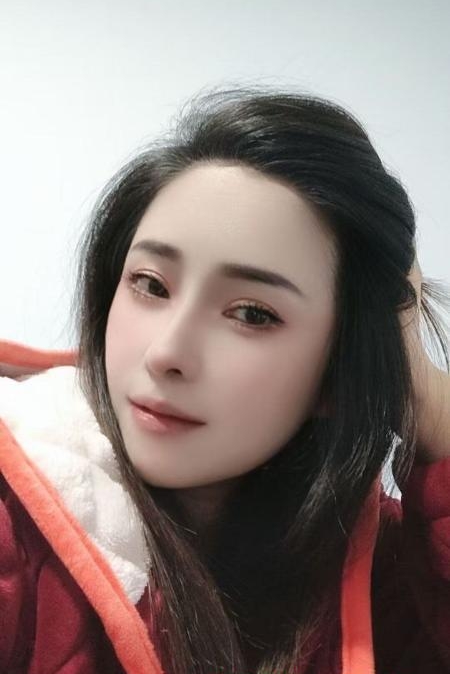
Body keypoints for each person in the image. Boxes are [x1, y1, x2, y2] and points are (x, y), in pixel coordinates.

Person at [1, 86, 449, 674]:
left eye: (252, 314)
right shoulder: (16, 521)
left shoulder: (378, 572)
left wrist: (430, 407)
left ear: (338, 366)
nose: (167, 353)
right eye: (151, 284)